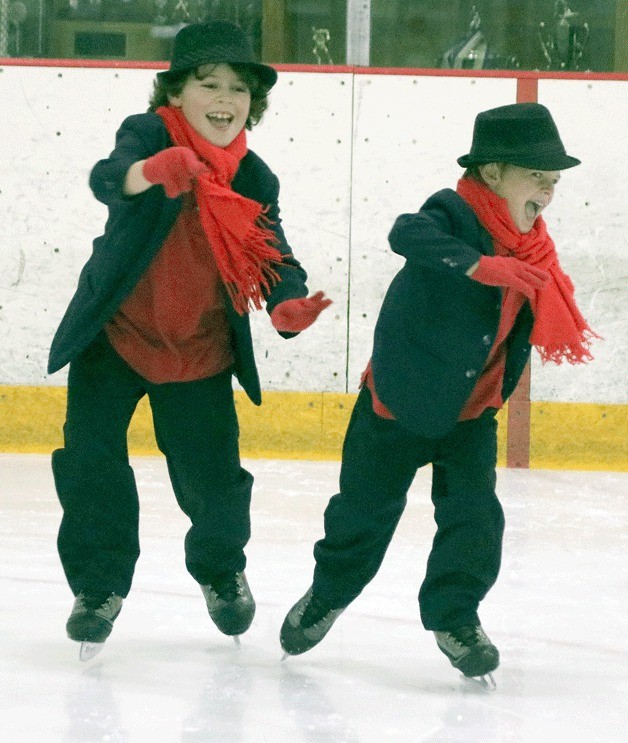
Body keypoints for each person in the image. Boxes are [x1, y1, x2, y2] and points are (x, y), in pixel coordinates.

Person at [280, 103, 597, 682]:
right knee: (361, 515)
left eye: (554, 182)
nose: (547, 193)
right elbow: (407, 232)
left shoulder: (534, 248)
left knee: (475, 519)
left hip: (471, 410)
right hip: (398, 400)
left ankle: (455, 617)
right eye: (536, 177)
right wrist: (478, 266)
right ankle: (328, 594)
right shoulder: (452, 213)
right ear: (492, 173)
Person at [48, 21, 331, 656]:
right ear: (176, 93)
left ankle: (220, 570)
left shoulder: (254, 178)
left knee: (214, 484)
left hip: (200, 348)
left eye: (239, 88)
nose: (225, 99)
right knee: (91, 465)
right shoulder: (148, 134)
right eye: (208, 84)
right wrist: (153, 170)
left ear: (253, 103)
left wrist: (286, 302)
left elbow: (273, 252)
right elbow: (107, 178)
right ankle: (98, 587)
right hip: (114, 338)